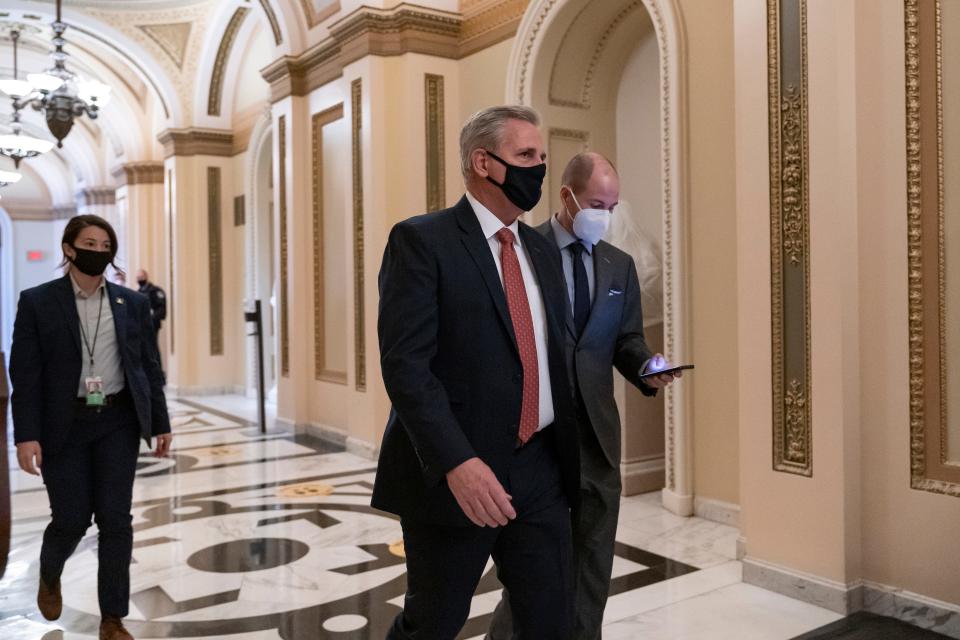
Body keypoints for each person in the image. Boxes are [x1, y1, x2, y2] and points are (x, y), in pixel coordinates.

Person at [371, 105, 580, 639]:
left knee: (549, 620)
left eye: (542, 156)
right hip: (460, 472)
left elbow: (552, 349)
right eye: (526, 156)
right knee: (435, 622)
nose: (539, 167)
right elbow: (406, 366)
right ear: (483, 162)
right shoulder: (422, 240)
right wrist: (457, 462)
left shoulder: (539, 248)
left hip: (541, 467)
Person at [488, 152, 681, 640]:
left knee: (593, 559)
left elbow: (625, 340)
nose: (606, 215)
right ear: (566, 196)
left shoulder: (619, 265)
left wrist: (647, 367)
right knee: (533, 563)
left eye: (613, 206)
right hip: (537, 435)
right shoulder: (522, 250)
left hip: (596, 435)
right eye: (597, 203)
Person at [10, 215, 172, 640]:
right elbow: (24, 376)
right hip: (63, 425)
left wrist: (160, 421)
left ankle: (112, 619)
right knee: (71, 519)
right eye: (89, 243)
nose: (98, 251)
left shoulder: (130, 303)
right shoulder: (38, 302)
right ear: (68, 248)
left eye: (105, 245)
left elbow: (146, 367)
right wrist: (25, 435)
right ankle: (50, 572)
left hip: (117, 420)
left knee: (116, 521)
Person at [136, 269, 166, 381]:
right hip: (141, 328)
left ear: (146, 277)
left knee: (153, 350)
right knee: (144, 351)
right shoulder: (138, 292)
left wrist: (150, 319)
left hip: (152, 327)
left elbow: (162, 310)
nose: (139, 280)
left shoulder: (155, 291)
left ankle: (158, 376)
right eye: (137, 278)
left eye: (141, 277)